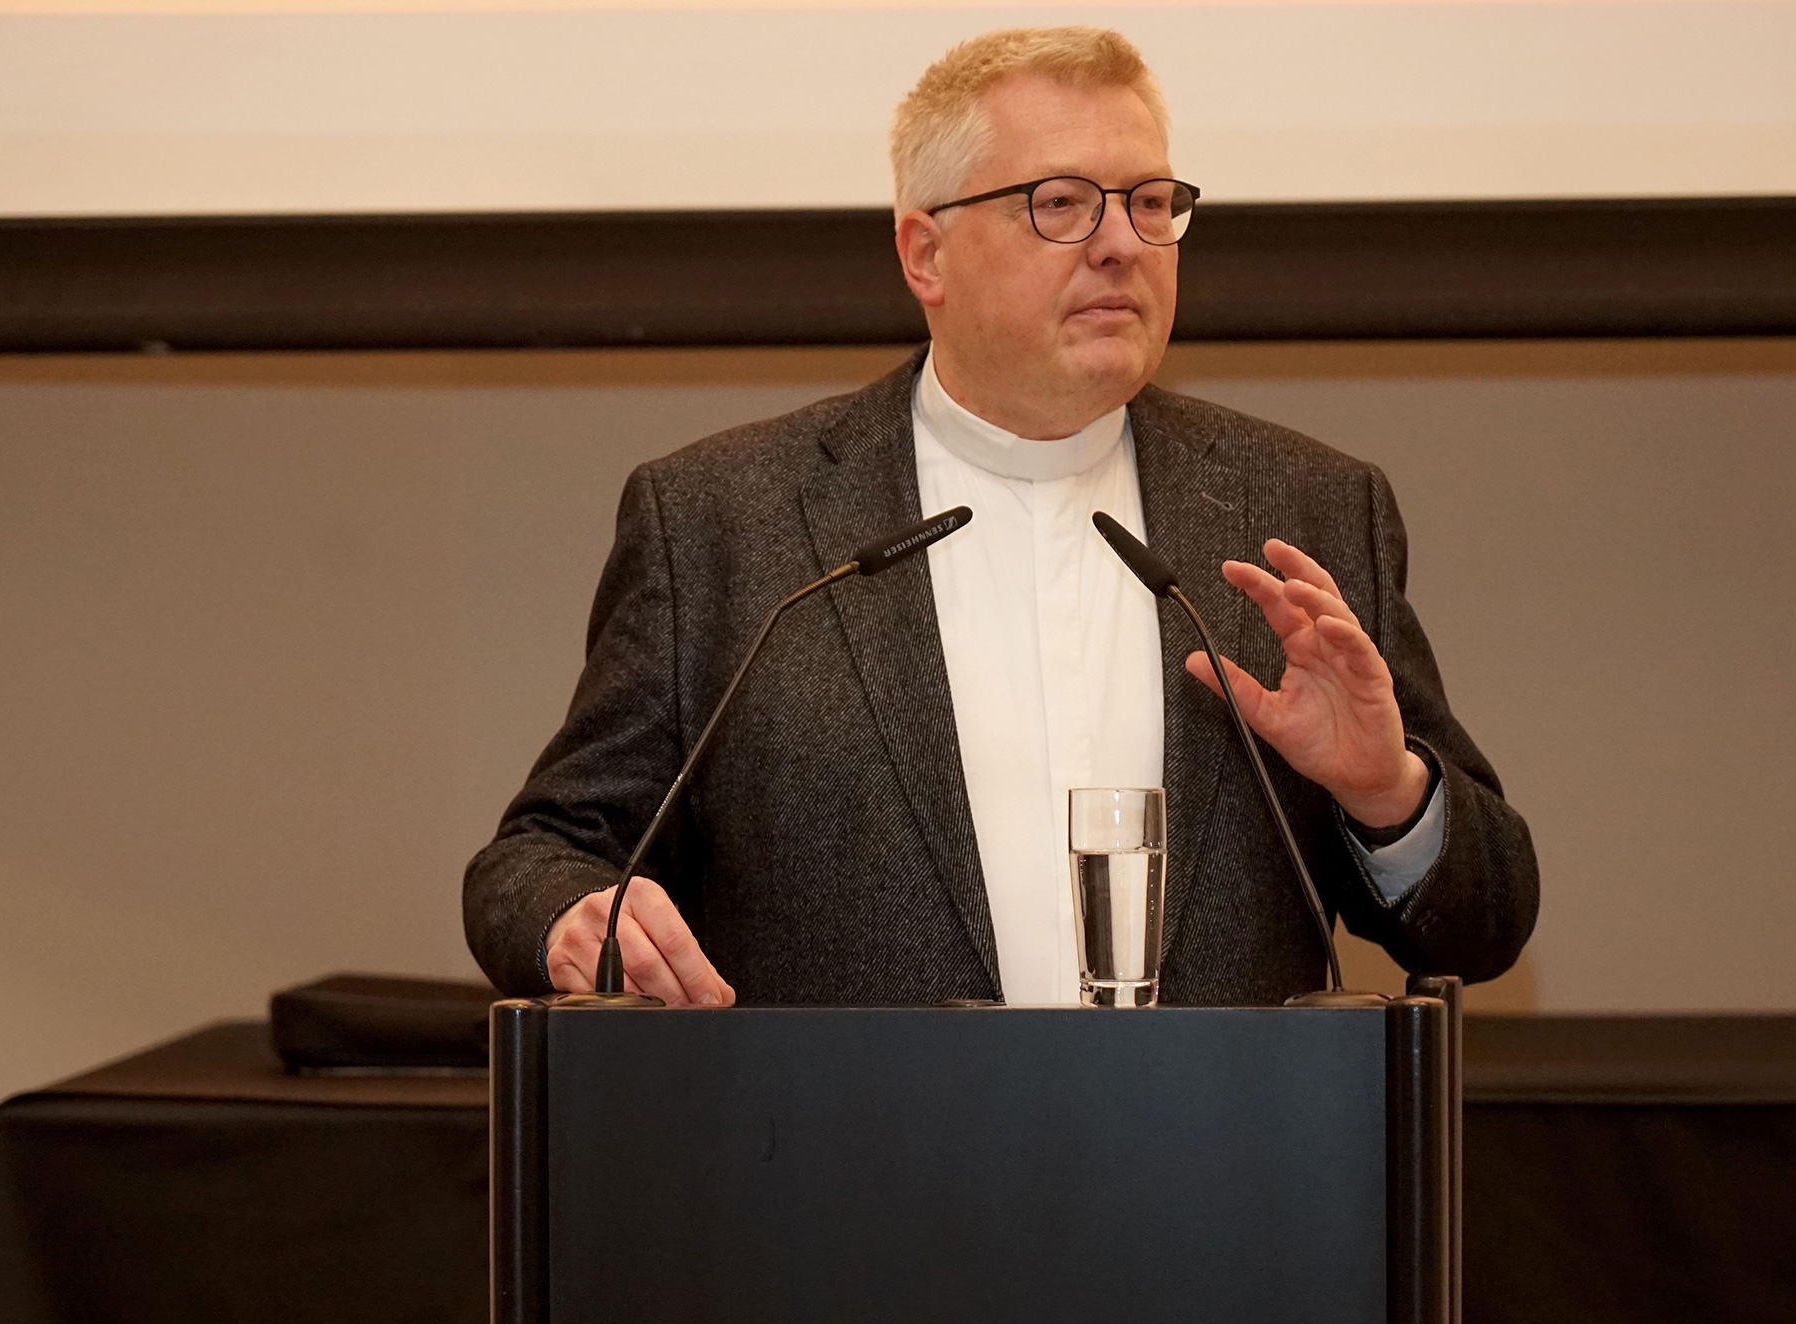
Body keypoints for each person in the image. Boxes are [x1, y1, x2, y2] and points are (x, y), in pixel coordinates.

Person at [463, 26, 1537, 1006]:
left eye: (1150, 202)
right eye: (1061, 203)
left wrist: (1385, 793)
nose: (1120, 243)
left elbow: (1484, 925)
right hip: (855, 1186)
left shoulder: (1300, 508)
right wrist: (573, 914)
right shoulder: (722, 524)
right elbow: (540, 854)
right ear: (924, 254)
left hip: (1213, 1186)